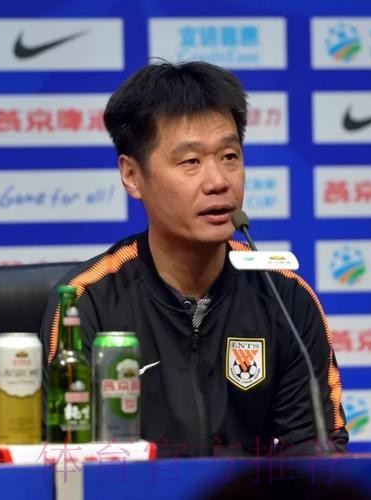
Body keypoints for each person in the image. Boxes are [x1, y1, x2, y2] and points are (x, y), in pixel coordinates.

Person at [40, 60, 347, 457]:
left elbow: (315, 451)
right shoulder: (87, 303)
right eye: (191, 162)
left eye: (230, 156)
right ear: (132, 175)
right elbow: (66, 459)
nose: (218, 181)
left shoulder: (284, 297)